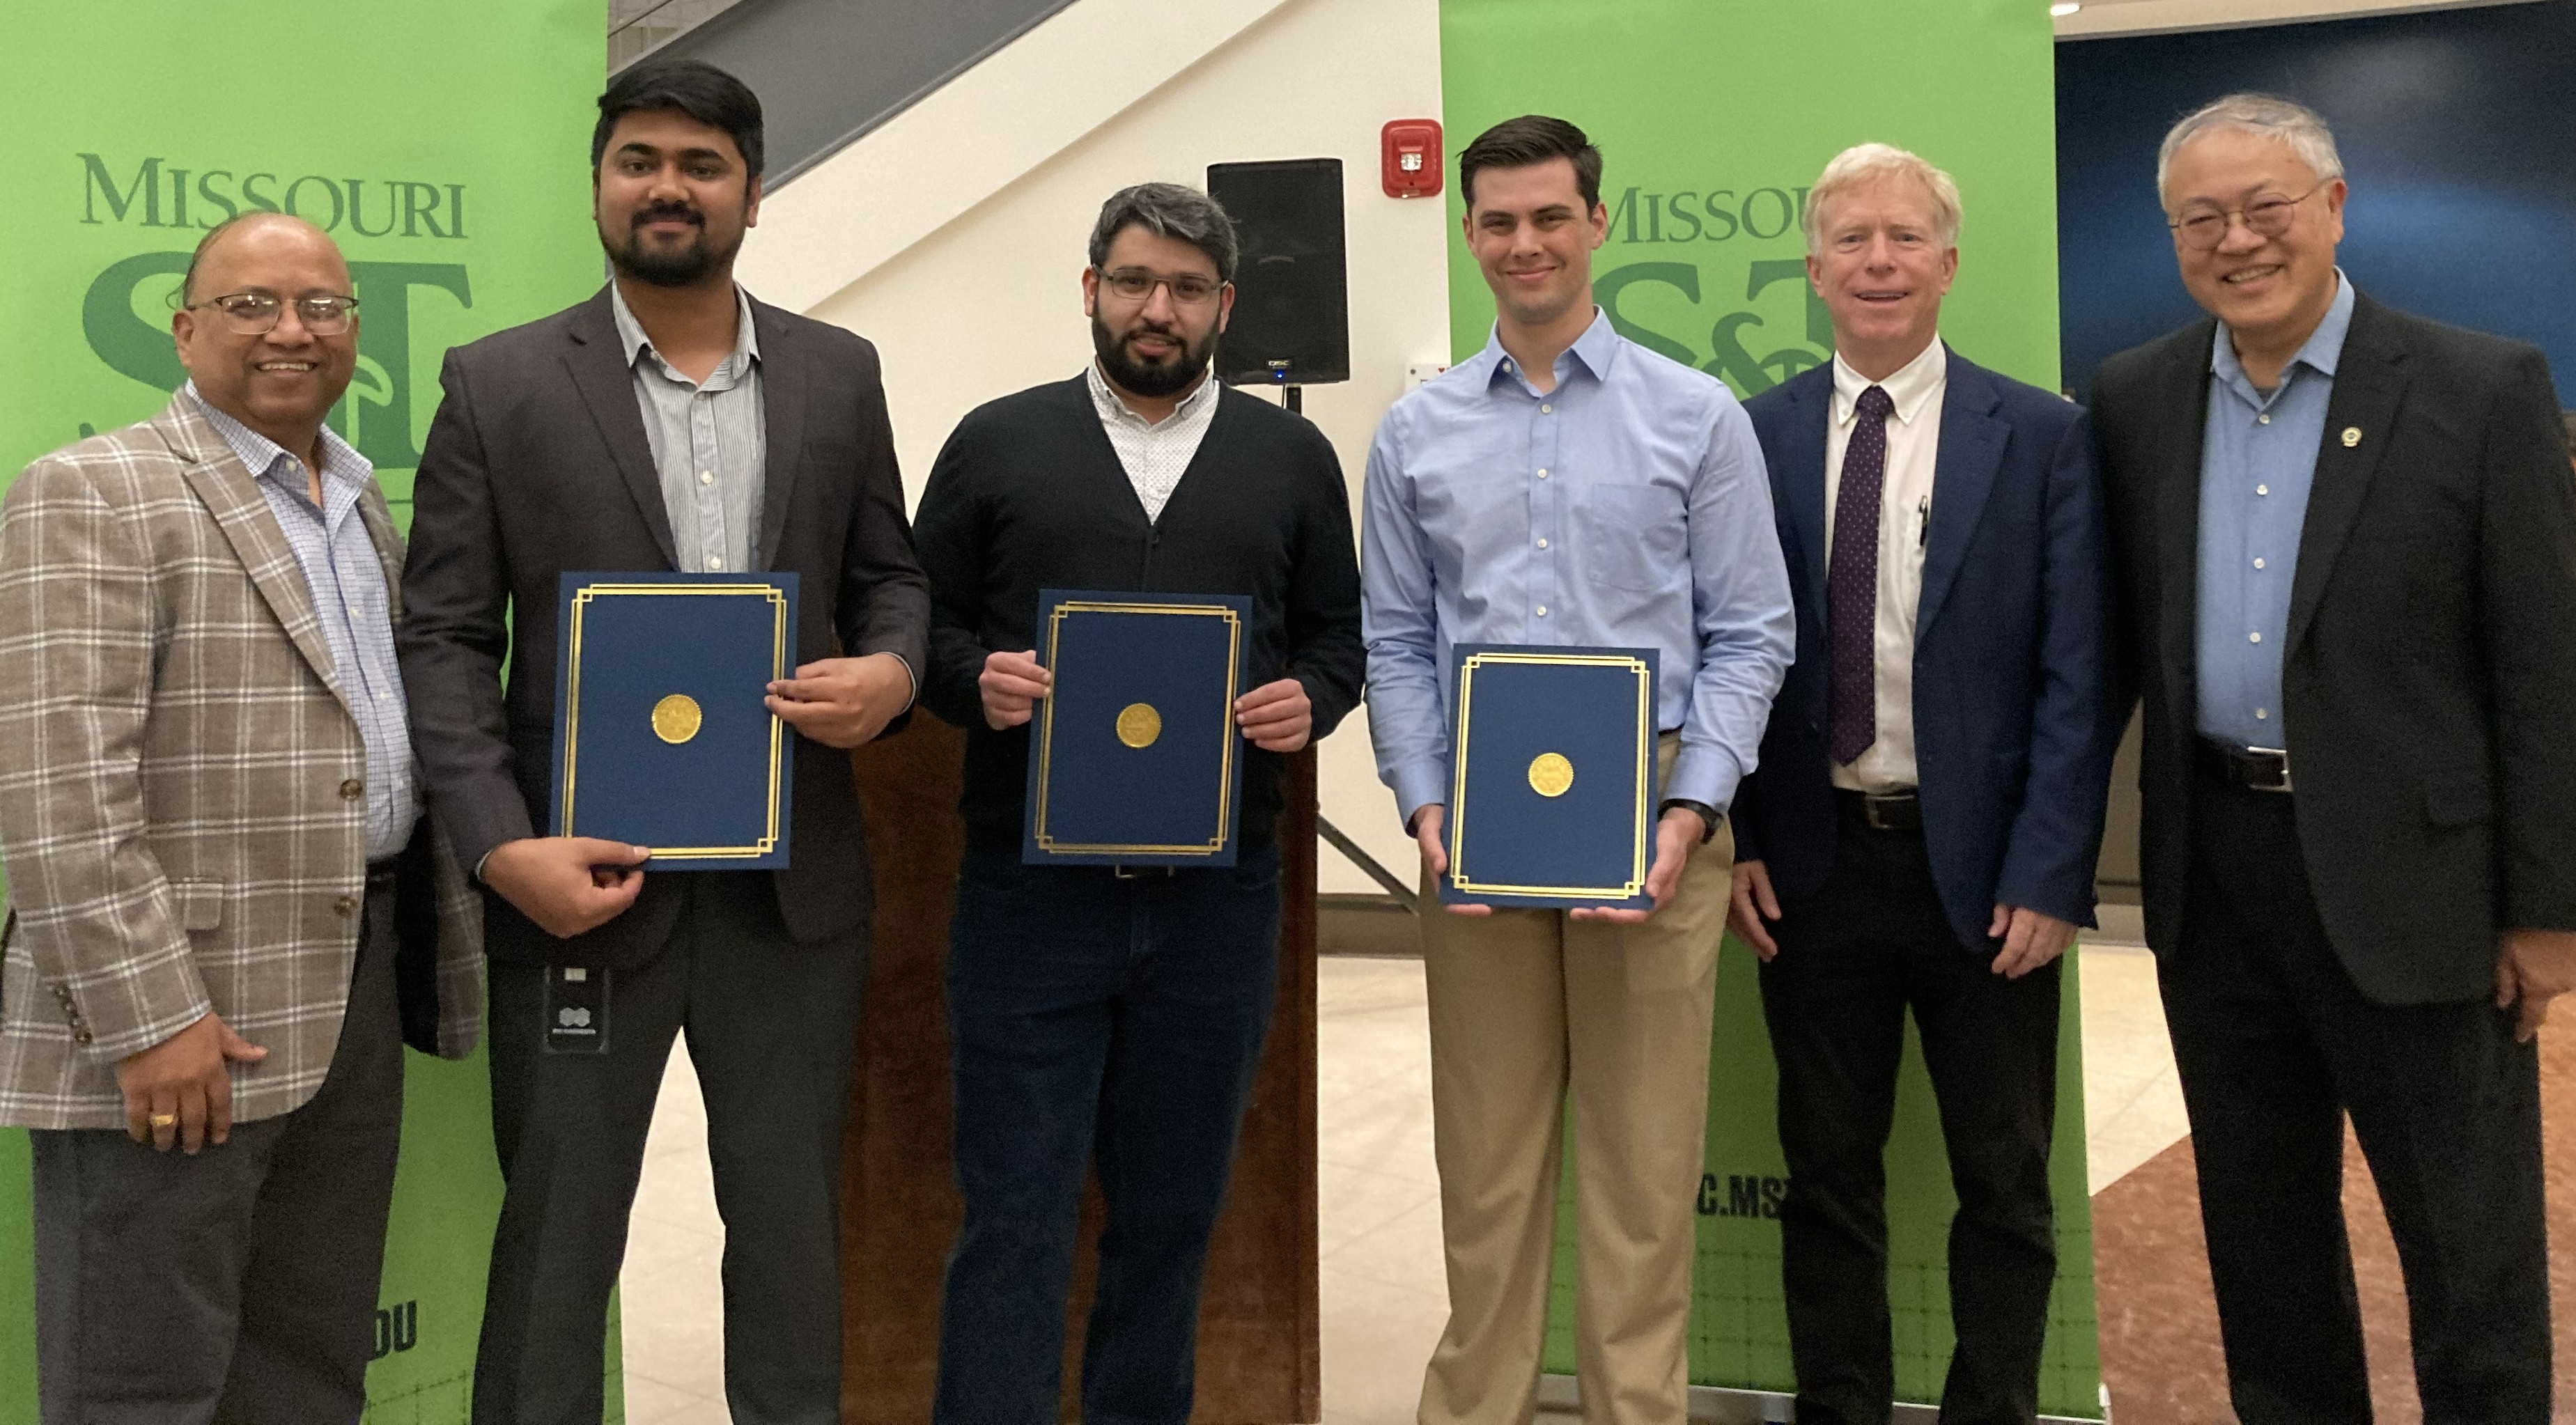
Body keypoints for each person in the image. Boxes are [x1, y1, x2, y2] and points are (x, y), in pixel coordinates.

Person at [396, 59, 929, 1425]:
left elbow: (893, 573)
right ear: (599, 187)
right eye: (639, 160)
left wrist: (890, 668)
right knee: (559, 1240)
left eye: (701, 165)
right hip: (577, 887)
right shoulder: (499, 382)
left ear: (753, 191)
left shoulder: (839, 372)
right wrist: (501, 846)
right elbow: (444, 640)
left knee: (791, 1228)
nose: (668, 187)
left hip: (788, 894)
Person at [2090, 92, 2576, 1422]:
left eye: (2264, 208)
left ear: (2334, 208)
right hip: (2217, 878)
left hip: (2418, 888)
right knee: (2260, 1236)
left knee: (2466, 1246)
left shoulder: (2482, 388)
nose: (2235, 240)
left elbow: (2545, 671)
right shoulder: (2133, 399)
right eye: (2201, 218)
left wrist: (2545, 912)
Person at [0, 211, 483, 1424]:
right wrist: (150, 1020)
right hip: (182, 1015)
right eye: (252, 303)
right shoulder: (94, 490)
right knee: (142, 1381)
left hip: (352, 986)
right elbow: (60, 793)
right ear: (185, 328)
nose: (291, 330)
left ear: (354, 332)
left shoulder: (364, 502)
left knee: (308, 1367)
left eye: (322, 306)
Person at [1361, 114, 1794, 1424]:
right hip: (1474, 827)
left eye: (1550, 216)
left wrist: (1690, 806)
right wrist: (1425, 803)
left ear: (1597, 225)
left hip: (1652, 814)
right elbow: (1392, 638)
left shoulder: (1695, 415)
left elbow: (1750, 630)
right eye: (1497, 220)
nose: (1525, 242)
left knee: (1642, 1166)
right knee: (1485, 1166)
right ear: (1469, 231)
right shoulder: (1414, 432)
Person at [910, 180, 1363, 1424]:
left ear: (1224, 304)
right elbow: (916, 624)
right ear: (1091, 288)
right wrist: (970, 678)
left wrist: (1307, 702)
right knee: (1012, 1212)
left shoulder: (1291, 457)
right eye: (1131, 281)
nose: (1154, 309)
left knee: (1170, 1216)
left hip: (1218, 903)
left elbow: (1340, 638)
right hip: (1026, 898)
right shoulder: (996, 440)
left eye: (1183, 288)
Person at [1725, 143, 2118, 1425]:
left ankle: (1992, 1409)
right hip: (1810, 864)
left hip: (1990, 880)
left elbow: (2079, 672)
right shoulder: (1753, 437)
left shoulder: (2046, 435)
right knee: (1825, 1174)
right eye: (1851, 239)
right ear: (1812, 268)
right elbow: (1722, 647)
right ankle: (1840, 1408)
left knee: (2003, 1179)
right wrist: (1737, 834)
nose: (1877, 261)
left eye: (1903, 238)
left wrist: (2052, 868)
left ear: (1948, 262)